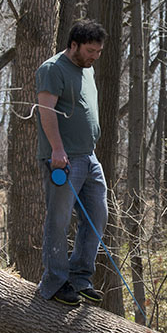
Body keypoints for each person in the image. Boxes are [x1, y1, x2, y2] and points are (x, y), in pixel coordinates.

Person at [35, 19, 108, 306]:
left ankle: (80, 277)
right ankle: (55, 281)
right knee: (59, 219)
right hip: (63, 159)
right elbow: (45, 110)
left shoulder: (86, 70)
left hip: (89, 157)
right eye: (90, 50)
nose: (94, 56)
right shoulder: (53, 69)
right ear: (74, 45)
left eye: (99, 51)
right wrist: (56, 150)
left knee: (98, 215)